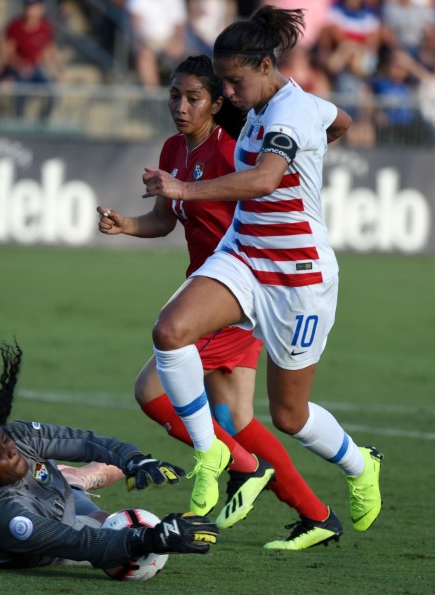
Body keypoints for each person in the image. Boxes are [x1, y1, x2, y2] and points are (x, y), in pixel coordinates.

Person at [141, 6, 383, 535]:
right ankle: (211, 455)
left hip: (298, 276)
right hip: (245, 255)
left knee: (289, 417)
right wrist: (316, 151)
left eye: (234, 80)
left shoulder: (290, 113)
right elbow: (340, 120)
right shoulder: (270, 103)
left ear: (265, 65)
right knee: (170, 331)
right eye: (222, 81)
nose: (226, 93)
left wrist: (182, 189)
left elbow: (265, 179)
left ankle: (362, 466)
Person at [97, 54, 343, 551]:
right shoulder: (173, 148)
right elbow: (166, 221)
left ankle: (242, 467)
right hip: (208, 290)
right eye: (174, 96)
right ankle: (318, 515)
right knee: (239, 418)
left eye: (194, 98)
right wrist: (127, 224)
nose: (181, 107)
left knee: (153, 391)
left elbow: (267, 191)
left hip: (237, 293)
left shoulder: (236, 150)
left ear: (217, 102)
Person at [0, 317, 219, 570]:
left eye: (4, 442)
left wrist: (132, 458)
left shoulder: (16, 438)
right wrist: (151, 540)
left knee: (113, 469)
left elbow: (85, 442)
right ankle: (71, 482)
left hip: (48, 494)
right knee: (108, 527)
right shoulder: (3, 515)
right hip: (44, 539)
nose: (11, 450)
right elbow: (77, 542)